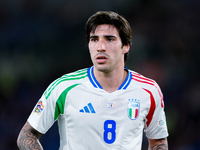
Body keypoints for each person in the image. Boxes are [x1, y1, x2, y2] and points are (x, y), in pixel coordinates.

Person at [17, 11, 168, 150]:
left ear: (126, 46)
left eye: (109, 39)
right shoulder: (64, 87)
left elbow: (158, 141)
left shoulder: (149, 90)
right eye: (94, 39)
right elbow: (26, 135)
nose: (100, 47)